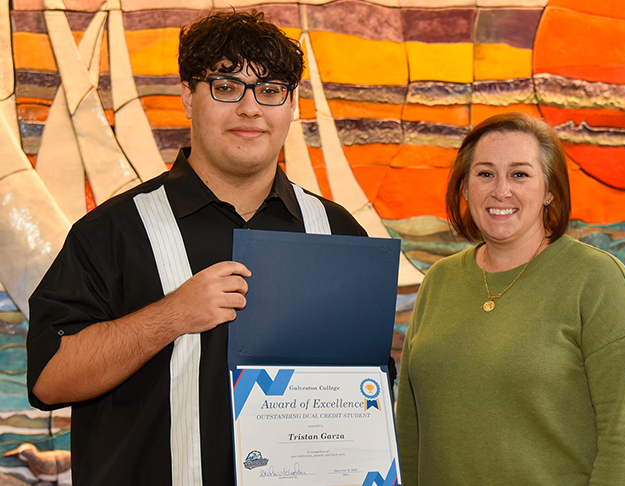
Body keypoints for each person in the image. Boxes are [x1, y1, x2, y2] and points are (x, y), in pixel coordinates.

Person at [26, 10, 370, 485]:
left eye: (270, 90)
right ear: (188, 95)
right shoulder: (112, 231)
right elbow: (49, 378)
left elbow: (363, 389)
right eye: (226, 86)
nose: (250, 108)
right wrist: (173, 316)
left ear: (292, 105)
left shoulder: (338, 233)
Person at [396, 112, 625, 485]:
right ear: (466, 188)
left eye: (520, 174)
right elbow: (410, 424)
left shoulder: (598, 280)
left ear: (549, 189)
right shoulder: (440, 280)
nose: (501, 190)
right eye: (485, 173)